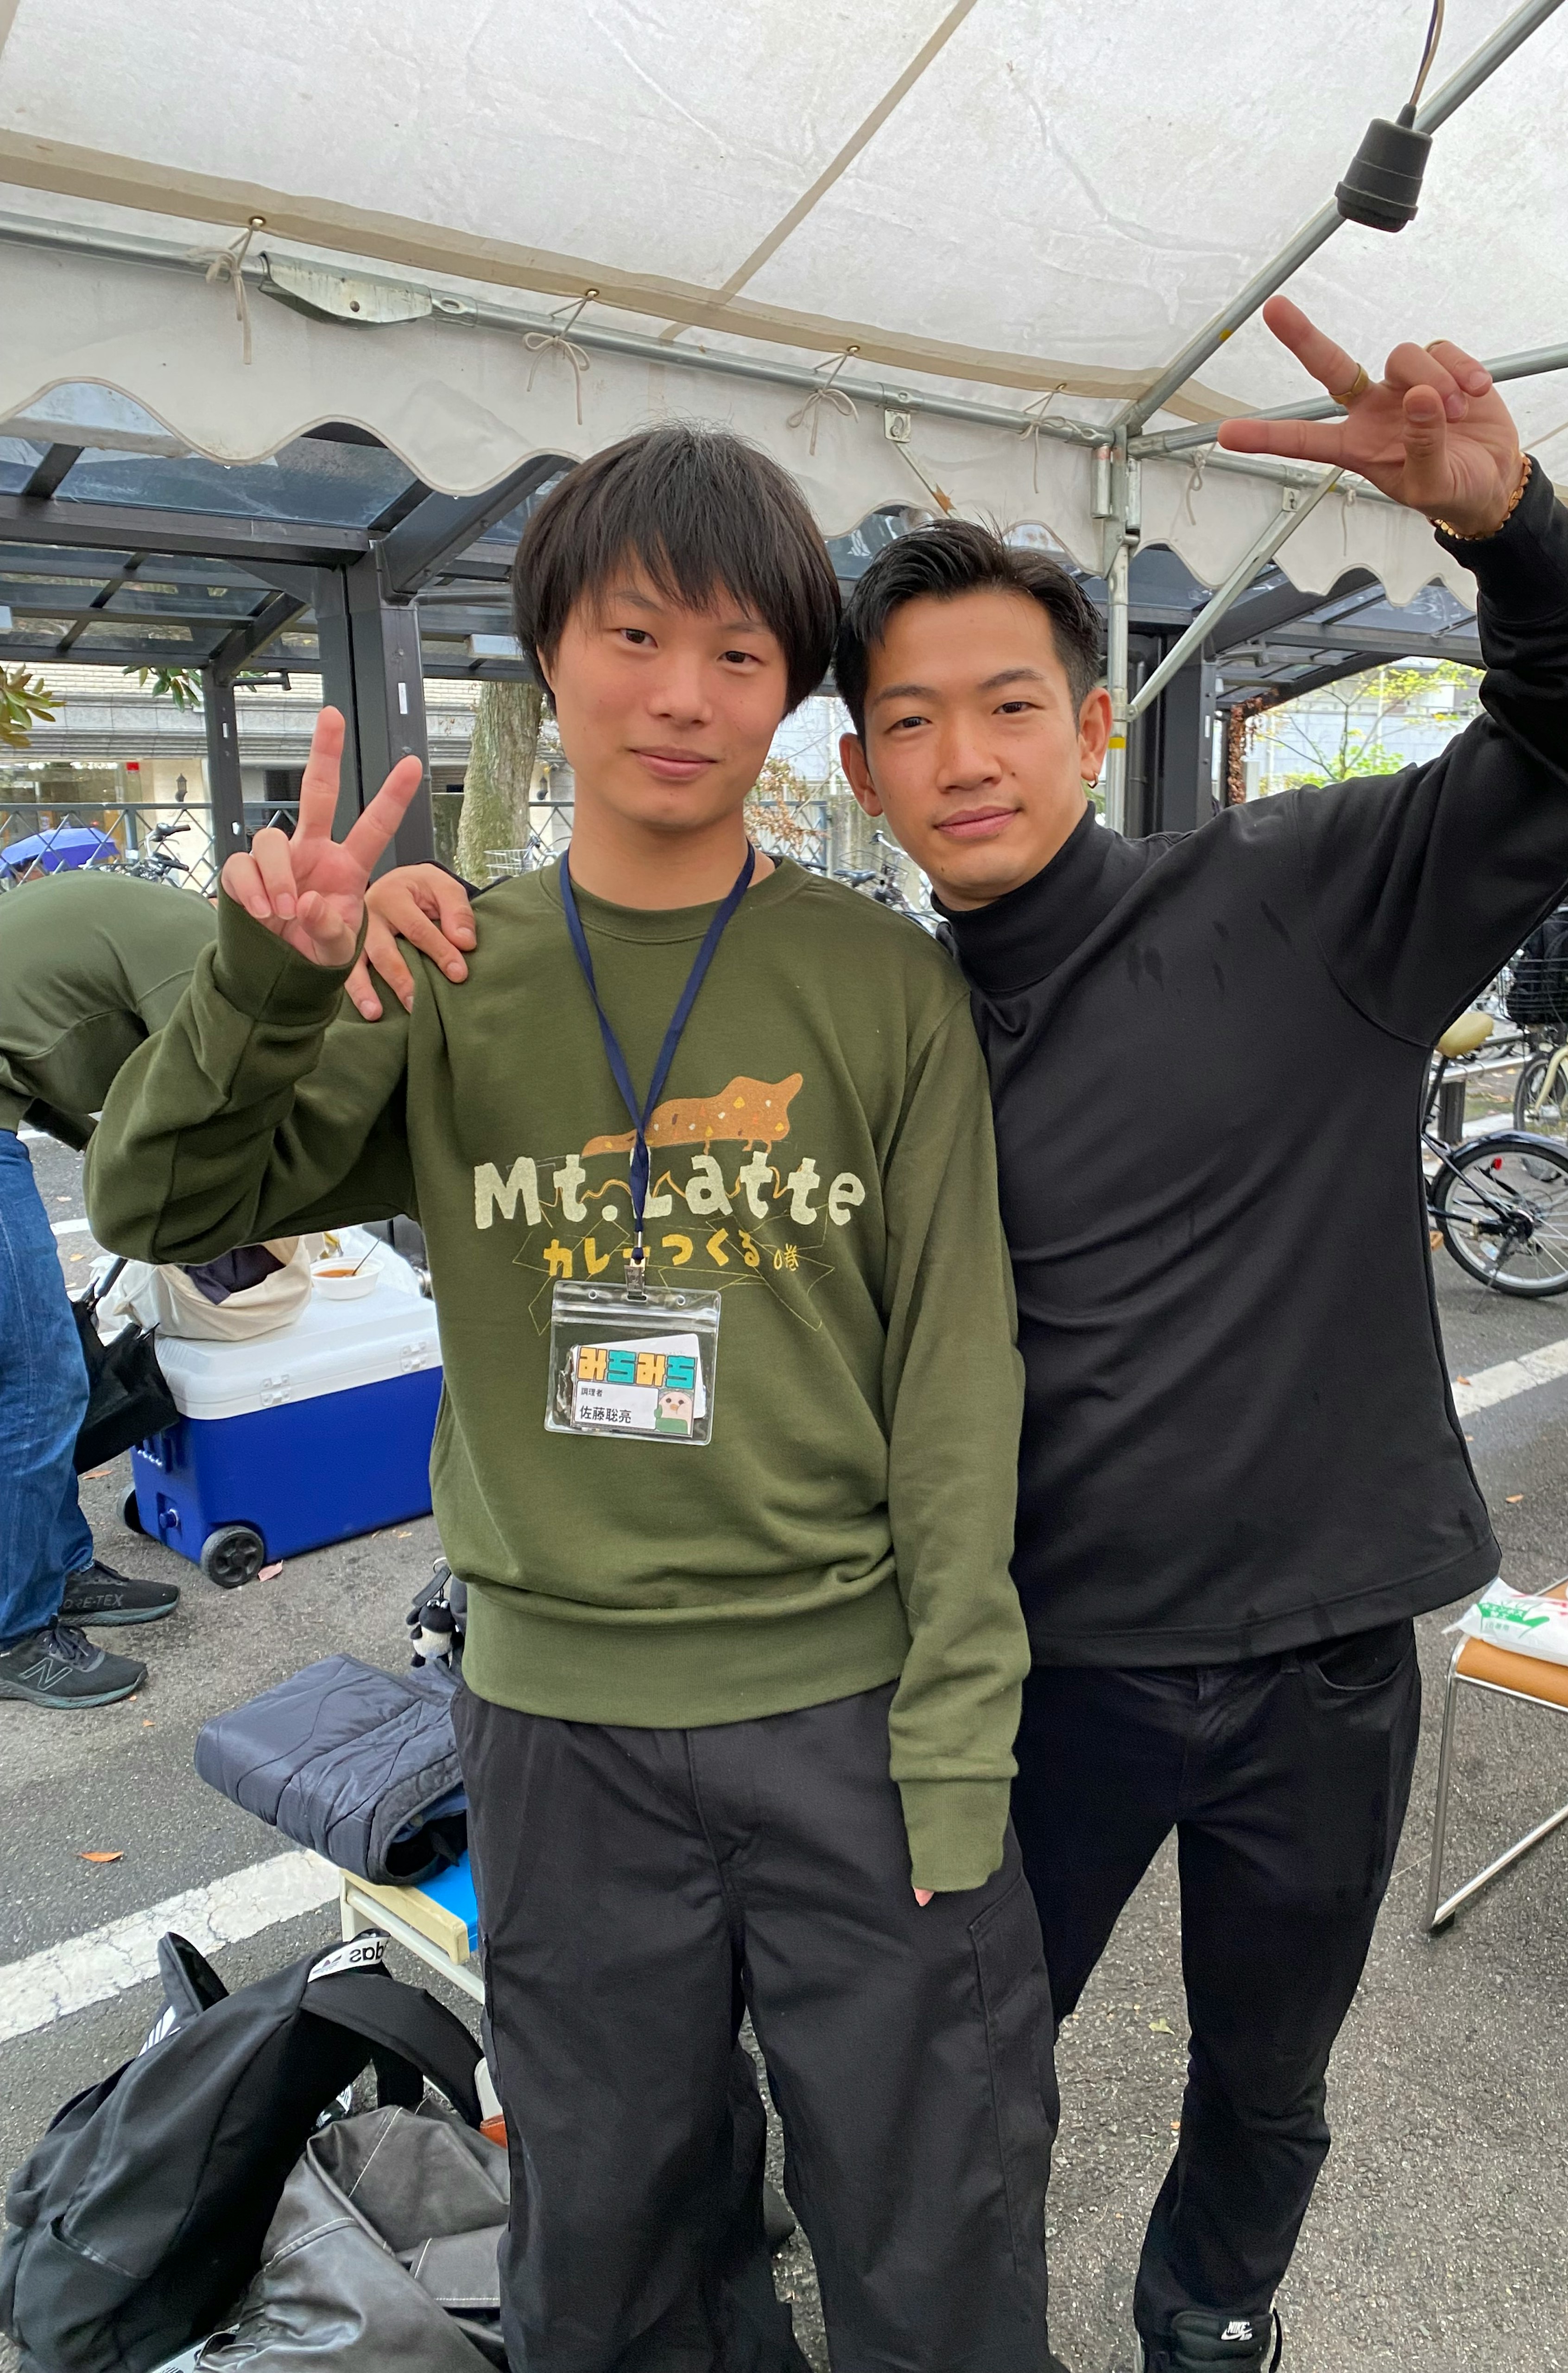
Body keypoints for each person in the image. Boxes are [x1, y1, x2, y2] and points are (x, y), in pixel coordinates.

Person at [86, 424, 1054, 2373]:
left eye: (740, 654)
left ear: (795, 695)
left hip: (849, 1719)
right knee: (612, 2241)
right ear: (549, 649)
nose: (683, 696)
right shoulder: (445, 966)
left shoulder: (880, 987)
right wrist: (270, 987)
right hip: (556, 1731)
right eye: (633, 634)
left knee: (932, 2212)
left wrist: (959, 1726)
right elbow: (158, 1200)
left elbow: (958, 1370)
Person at [820, 300, 1568, 2371]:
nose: (965, 755)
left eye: (1008, 702)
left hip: (1320, 1661)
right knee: (965, 2063)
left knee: (1268, 2072)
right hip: (1034, 1674)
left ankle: (1210, 2311)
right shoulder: (875, 1025)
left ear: (1090, 716)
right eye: (913, 721)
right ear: (861, 769)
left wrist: (1511, 526)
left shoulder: (1299, 891)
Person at [0, 864, 486, 1710]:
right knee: (36, 1383)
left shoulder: (232, 951)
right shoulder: (217, 964)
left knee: (49, 1373)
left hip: (15, 1098)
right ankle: (14, 1629)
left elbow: (112, 1112)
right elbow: (223, 1122)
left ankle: (57, 1568)